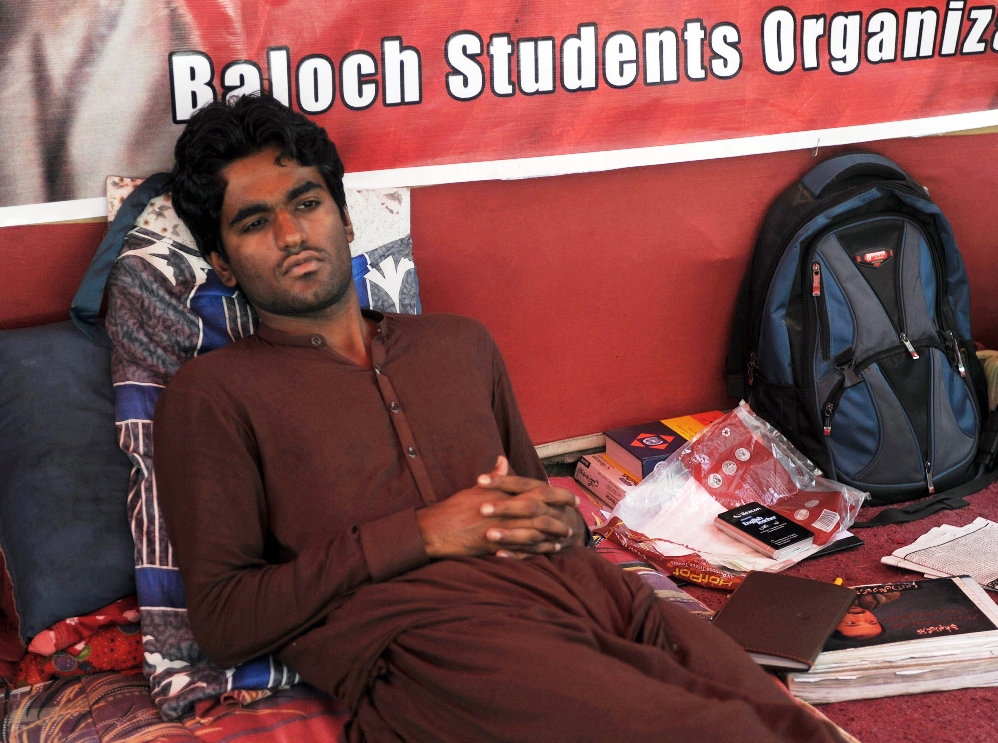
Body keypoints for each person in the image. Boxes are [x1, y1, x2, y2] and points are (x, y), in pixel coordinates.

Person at [153, 92, 845, 743]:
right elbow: (225, 619)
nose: (289, 231)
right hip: (435, 643)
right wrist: (422, 532)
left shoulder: (458, 344)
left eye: (306, 201)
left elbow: (545, 510)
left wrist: (561, 518)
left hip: (597, 595)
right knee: (713, 733)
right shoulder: (212, 394)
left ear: (343, 215)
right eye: (253, 221)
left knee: (789, 723)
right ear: (222, 262)